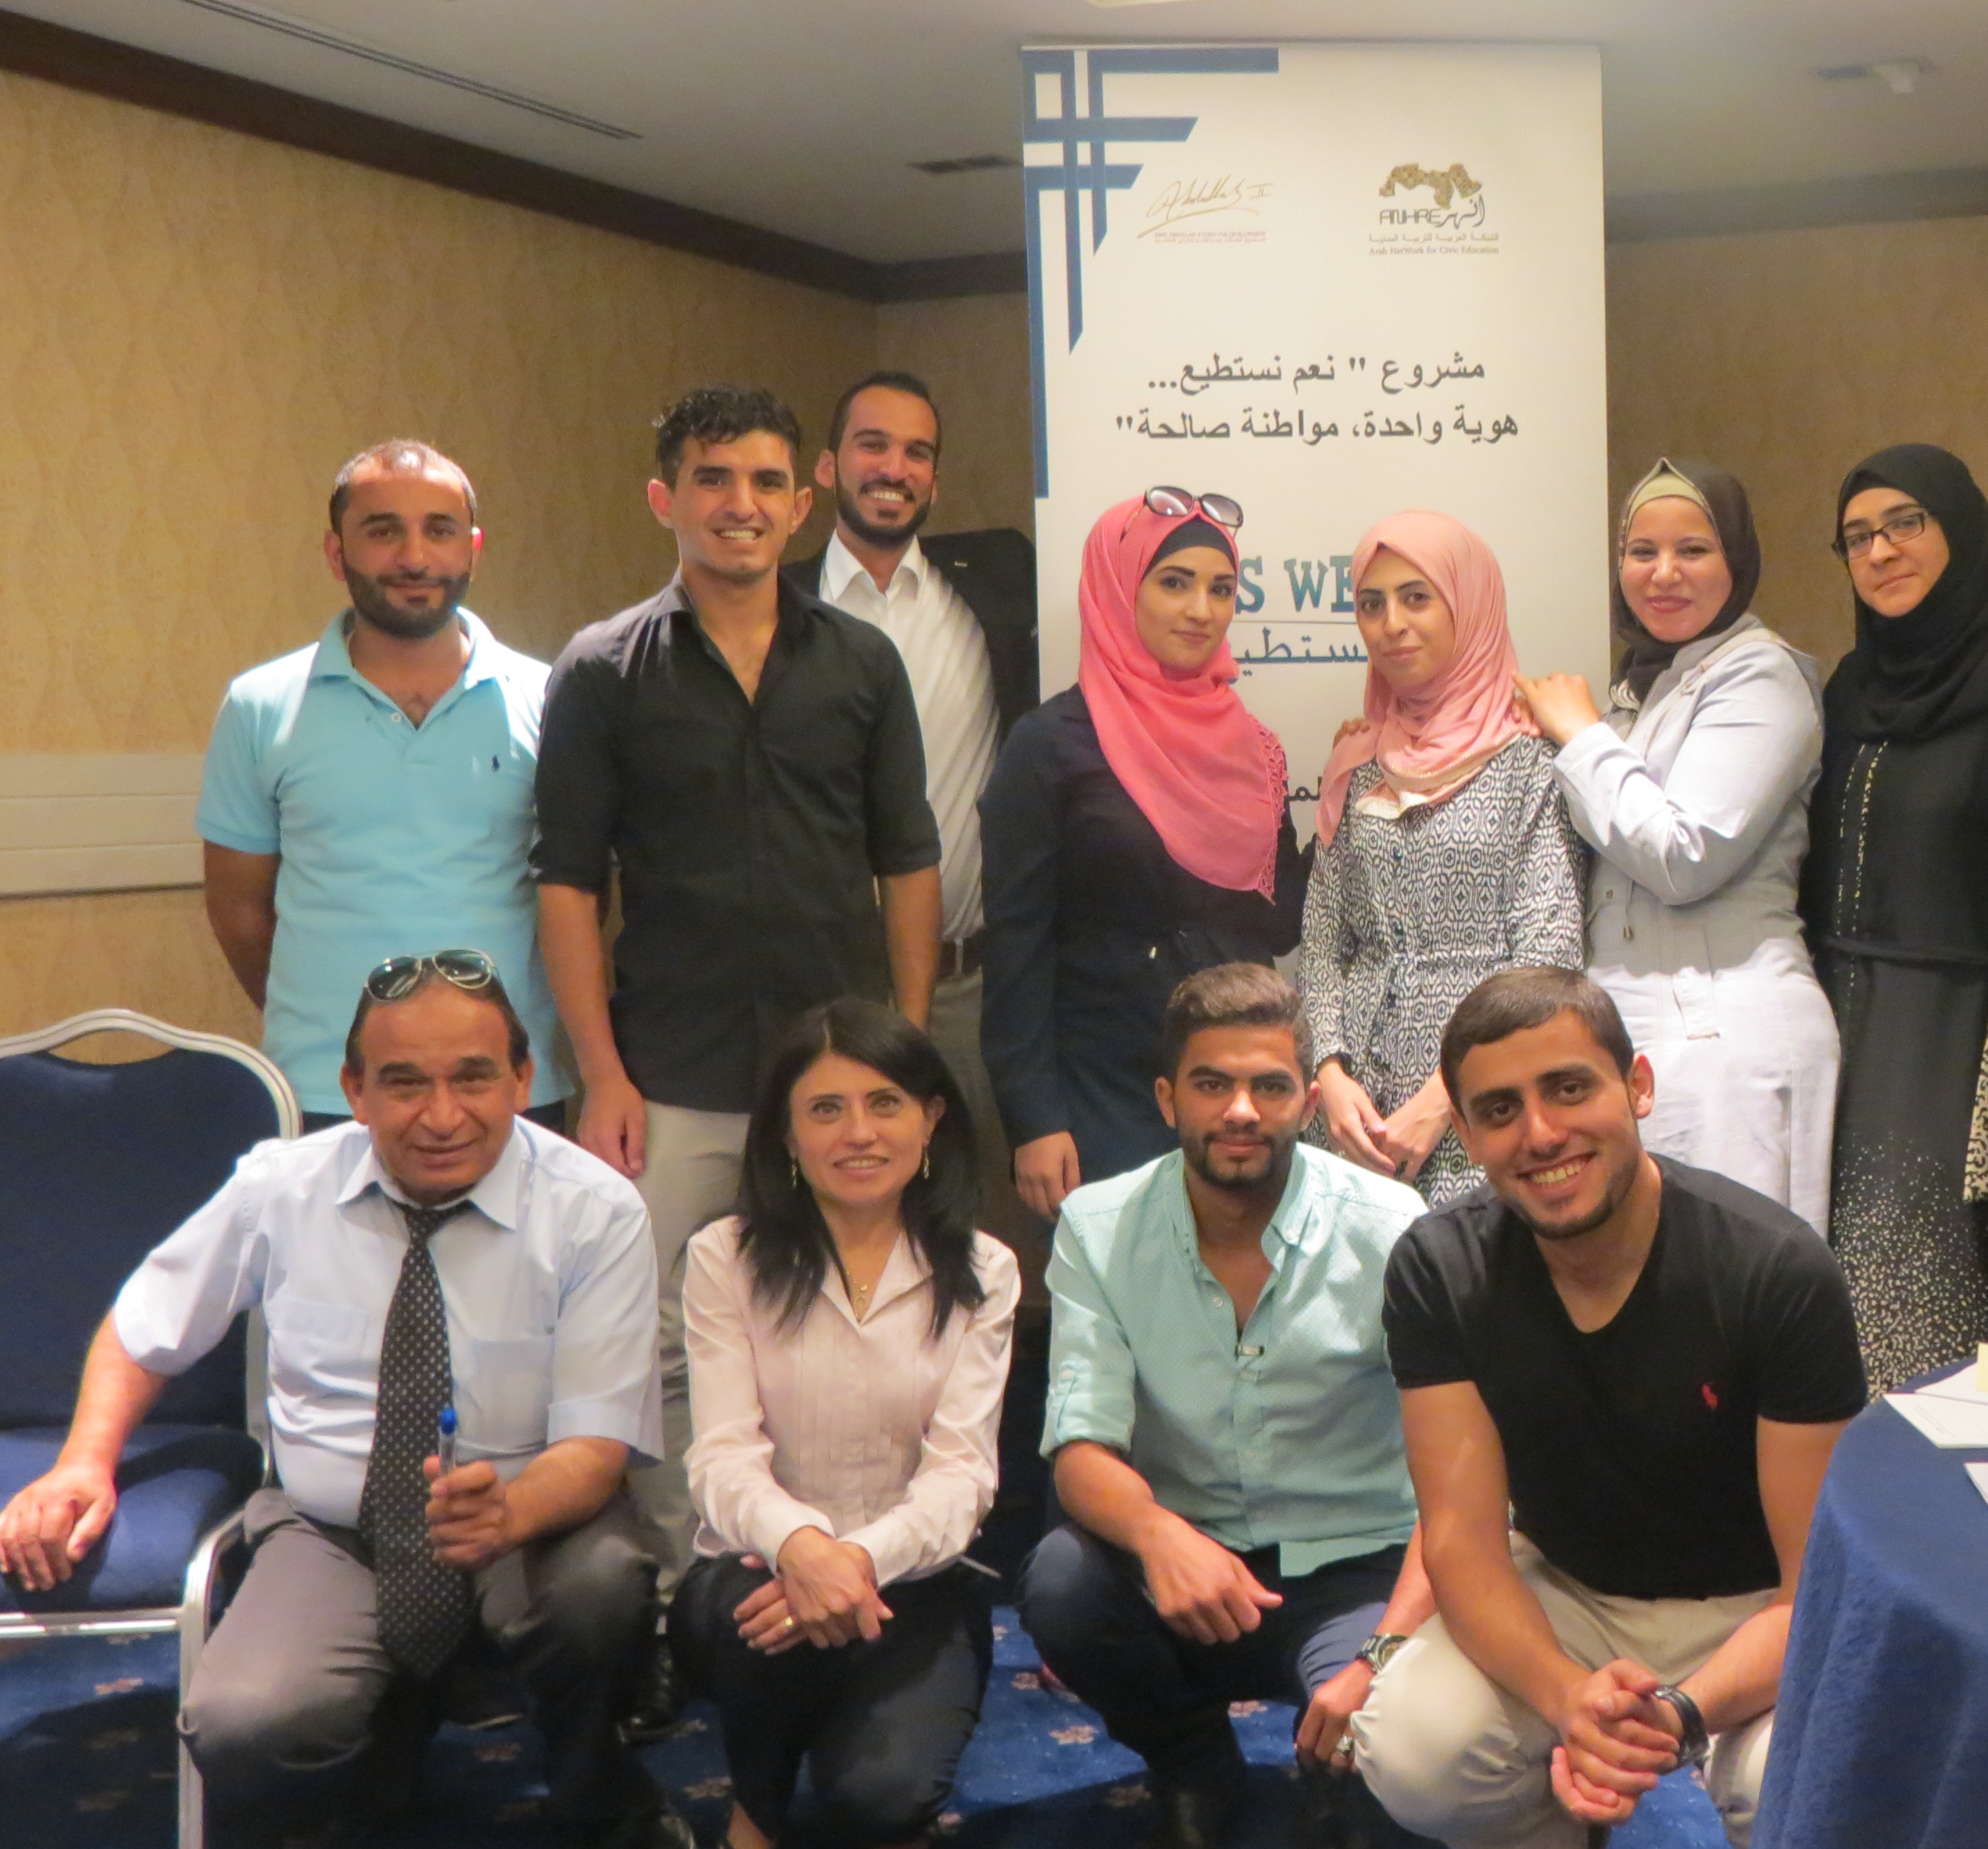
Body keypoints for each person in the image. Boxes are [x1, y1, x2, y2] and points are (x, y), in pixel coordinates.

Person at [0, 954, 680, 1846]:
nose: (442, 1115)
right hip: (335, 1530)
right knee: (246, 1725)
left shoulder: (595, 1210)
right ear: (355, 1091)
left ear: (522, 1080)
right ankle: (378, 1754)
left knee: (601, 1593)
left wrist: (509, 1513)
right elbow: (142, 1329)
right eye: (405, 1083)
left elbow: (596, 1447)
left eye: (473, 1077)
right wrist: (84, 1464)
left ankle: (596, 1790)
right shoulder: (282, 1188)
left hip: (534, 1517)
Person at [534, 385, 944, 1585]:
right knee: (659, 1341)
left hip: (838, 1077)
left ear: (800, 502)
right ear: (665, 498)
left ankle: (855, 1570)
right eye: (713, 479)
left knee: (846, 1327)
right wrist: (603, 1072)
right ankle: (688, 1586)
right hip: (672, 1073)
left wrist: (907, 1050)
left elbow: (908, 860)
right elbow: (568, 885)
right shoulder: (603, 671)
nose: (741, 504)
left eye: (767, 481)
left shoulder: (862, 662)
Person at [1354, 967, 1862, 1849]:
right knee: (1415, 1750)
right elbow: (1463, 1546)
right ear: (1466, 1136)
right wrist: (1567, 1700)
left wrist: (1676, 1715)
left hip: (1753, 1610)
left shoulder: (1775, 1272)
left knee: (1806, 1782)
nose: (1541, 1133)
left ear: (1638, 1087)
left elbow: (1814, 1586)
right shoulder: (1439, 1269)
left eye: (1568, 1088)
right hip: (1565, 1591)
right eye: (1501, 1109)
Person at [1019, 965, 1433, 1849]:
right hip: (1184, 1570)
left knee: (1395, 1781)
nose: (1240, 1110)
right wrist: (1159, 1536)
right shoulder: (1097, 1226)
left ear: (1307, 1104)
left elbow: (1461, 1475)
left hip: (1358, 1574)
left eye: (1269, 1087)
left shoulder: (1392, 1227)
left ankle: (1341, 1766)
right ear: (1168, 1100)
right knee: (1062, 1583)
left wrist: (1385, 1651)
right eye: (1212, 1085)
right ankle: (1192, 1759)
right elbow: (1081, 1449)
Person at [674, 999, 1018, 1849]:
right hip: (759, 1574)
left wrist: (856, 1562)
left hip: (915, 1582)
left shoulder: (985, 1270)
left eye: (884, 1104)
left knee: (880, 1802)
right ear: (787, 1137)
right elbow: (722, 1457)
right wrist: (802, 1548)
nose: (858, 1133)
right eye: (825, 1109)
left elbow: (963, 1474)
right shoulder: (725, 1258)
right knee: (758, 1622)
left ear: (930, 1119)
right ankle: (753, 1817)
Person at [199, 440, 569, 1130]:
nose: (414, 557)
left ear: (473, 549)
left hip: (509, 1086)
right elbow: (239, 914)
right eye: (382, 530)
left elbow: (575, 901)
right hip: (327, 1088)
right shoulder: (259, 706)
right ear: (336, 552)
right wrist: (327, 1020)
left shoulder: (550, 701)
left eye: (440, 529)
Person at [1514, 459, 1835, 1226]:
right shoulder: (1640, 687)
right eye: (1641, 551)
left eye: (1693, 549)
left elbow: (1682, 856)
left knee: (1735, 1275)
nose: (1663, 574)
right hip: (1634, 1031)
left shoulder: (1762, 676)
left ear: (1737, 560)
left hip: (1728, 1027)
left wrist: (1580, 737)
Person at [1800, 444, 1988, 1393]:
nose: (1880, 552)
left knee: (1942, 1301)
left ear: (1963, 529)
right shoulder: (1848, 690)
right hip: (1841, 1022)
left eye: (1905, 523)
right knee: (1839, 1302)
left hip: (1967, 1033)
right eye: (1857, 537)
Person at [981, 489, 1309, 1221]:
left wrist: (1349, 796)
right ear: (1119, 589)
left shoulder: (1252, 748)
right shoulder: (1049, 746)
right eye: (1174, 583)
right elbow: (1016, 946)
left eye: (1220, 589)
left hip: (1234, 1092)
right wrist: (1033, 1118)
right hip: (1101, 1091)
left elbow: (1279, 921)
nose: (1200, 610)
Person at [785, 370, 1044, 1269]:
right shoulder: (772, 608)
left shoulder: (997, 591)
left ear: (935, 479)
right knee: (828, 1245)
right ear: (827, 467)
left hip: (972, 992)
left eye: (917, 452)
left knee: (987, 1250)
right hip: (828, 987)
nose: (894, 468)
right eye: (873, 445)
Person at [1304, 509, 1586, 1206]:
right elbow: (1322, 939)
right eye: (1372, 604)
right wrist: (1329, 1074)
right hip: (1351, 1124)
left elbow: (1547, 955)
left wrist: (1448, 1098)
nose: (1391, 624)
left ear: (1469, 605)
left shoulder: (1532, 761)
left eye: (1416, 598)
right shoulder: (1357, 763)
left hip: (1484, 1110)